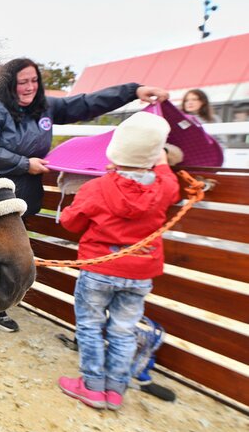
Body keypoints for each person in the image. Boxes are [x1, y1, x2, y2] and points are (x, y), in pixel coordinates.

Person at [0, 58, 170, 332]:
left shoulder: (46, 106)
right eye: (22, 82)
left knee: (7, 253)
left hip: (24, 198)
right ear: (9, 85)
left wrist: (133, 91)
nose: (29, 87)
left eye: (33, 81)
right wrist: (25, 164)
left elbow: (86, 103)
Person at [57, 111, 180, 410]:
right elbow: (166, 175)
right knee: (124, 331)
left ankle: (91, 386)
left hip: (99, 270)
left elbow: (70, 223)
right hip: (140, 273)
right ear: (154, 155)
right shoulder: (164, 186)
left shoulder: (97, 188)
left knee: (89, 326)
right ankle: (115, 391)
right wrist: (159, 158)